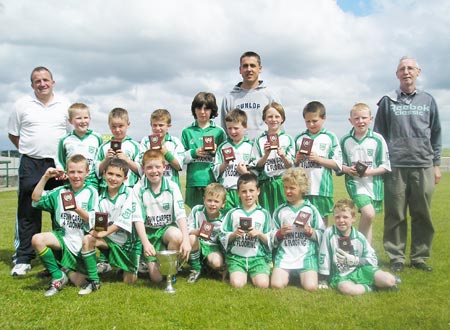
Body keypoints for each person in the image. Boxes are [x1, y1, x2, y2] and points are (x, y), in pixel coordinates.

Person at [374, 56, 441, 273]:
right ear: (397, 75)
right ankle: (396, 256)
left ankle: (420, 257)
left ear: (418, 72)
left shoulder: (428, 100)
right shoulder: (387, 101)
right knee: (396, 214)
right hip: (395, 167)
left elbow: (436, 133)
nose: (406, 72)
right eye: (402, 69)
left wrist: (436, 164)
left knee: (422, 214)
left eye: (410, 68)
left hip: (423, 165)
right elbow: (379, 136)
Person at [8, 66, 71, 276]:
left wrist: (63, 162)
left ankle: (61, 255)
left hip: (58, 165)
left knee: (61, 211)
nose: (42, 84)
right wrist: (31, 150)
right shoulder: (22, 105)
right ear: (32, 85)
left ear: (53, 82)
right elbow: (13, 135)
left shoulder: (64, 105)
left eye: (46, 80)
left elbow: (70, 136)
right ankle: (24, 258)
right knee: (28, 209)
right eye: (37, 81)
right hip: (31, 164)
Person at [30, 154, 99, 296]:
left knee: (79, 281)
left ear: (87, 172)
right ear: (66, 173)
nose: (76, 176)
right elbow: (35, 198)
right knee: (37, 239)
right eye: (72, 172)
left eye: (80, 172)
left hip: (81, 245)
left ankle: (66, 269)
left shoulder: (91, 192)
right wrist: (45, 177)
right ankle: (57, 276)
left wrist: (76, 209)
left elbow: (93, 220)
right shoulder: (60, 191)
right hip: (63, 238)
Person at [79, 158, 140, 295]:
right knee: (88, 239)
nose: (113, 178)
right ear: (104, 173)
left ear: (125, 178)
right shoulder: (100, 197)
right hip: (109, 240)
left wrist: (103, 233)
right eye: (110, 174)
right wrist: (95, 230)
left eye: (118, 175)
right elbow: (97, 220)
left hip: (129, 243)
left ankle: (124, 266)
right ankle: (94, 281)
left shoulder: (131, 193)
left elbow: (123, 221)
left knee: (129, 282)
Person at [133, 149, 191, 283]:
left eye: (158, 167)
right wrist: (146, 243)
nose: (154, 171)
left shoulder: (172, 186)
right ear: (143, 169)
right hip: (149, 233)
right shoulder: (138, 188)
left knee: (177, 235)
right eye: (149, 167)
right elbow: (138, 219)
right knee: (157, 279)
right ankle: (146, 259)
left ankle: (171, 267)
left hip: (166, 230)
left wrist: (186, 240)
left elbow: (181, 214)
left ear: (164, 167)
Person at [318, 199, 398, 296]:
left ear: (353, 218)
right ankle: (369, 287)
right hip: (340, 275)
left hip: (360, 270)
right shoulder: (329, 233)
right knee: (347, 289)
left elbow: (373, 259)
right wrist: (323, 279)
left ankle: (383, 282)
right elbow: (324, 255)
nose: (341, 220)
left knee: (389, 280)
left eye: (345, 217)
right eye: (337, 217)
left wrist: (356, 260)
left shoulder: (359, 237)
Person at [340, 103, 390, 243]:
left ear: (370, 119)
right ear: (350, 120)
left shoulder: (378, 139)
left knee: (368, 218)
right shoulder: (345, 140)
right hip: (355, 184)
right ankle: (358, 246)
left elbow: (385, 166)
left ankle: (367, 254)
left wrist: (369, 172)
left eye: (364, 118)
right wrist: (348, 169)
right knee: (369, 214)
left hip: (374, 185)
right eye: (356, 118)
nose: (360, 121)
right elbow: (339, 165)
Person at [271, 168, 325, 291]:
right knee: (276, 285)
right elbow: (271, 235)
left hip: (306, 256)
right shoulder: (280, 210)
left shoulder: (311, 209)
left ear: (302, 188)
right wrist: (280, 234)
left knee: (311, 287)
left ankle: (302, 274)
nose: (287, 191)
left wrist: (310, 231)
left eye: (292, 188)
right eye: (285, 187)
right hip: (285, 256)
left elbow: (323, 234)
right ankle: (291, 274)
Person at [219, 173, 272, 288]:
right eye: (244, 191)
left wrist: (259, 234)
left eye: (251, 191)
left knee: (263, 284)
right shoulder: (233, 213)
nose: (248, 195)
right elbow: (222, 234)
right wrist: (233, 234)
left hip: (258, 258)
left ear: (258, 191)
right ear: (238, 193)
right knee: (237, 284)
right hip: (237, 258)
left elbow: (271, 237)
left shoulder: (264, 214)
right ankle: (233, 270)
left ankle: (256, 271)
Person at [294, 101, 342, 226]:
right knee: (302, 223)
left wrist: (319, 159)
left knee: (322, 223)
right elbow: (292, 165)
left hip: (322, 190)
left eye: (314, 121)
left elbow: (338, 164)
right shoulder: (299, 138)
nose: (311, 124)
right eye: (307, 121)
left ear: (324, 118)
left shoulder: (330, 137)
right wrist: (297, 159)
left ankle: (323, 245)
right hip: (303, 190)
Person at [220, 51, 281, 139]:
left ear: (260, 69)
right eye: (245, 66)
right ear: (240, 70)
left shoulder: (270, 96)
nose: (249, 69)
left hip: (265, 149)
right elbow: (225, 129)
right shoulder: (229, 98)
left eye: (252, 65)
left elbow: (279, 127)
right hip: (238, 151)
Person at [181, 92, 226, 209]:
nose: (202, 112)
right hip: (193, 181)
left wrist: (215, 152)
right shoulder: (187, 131)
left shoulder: (219, 131)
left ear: (212, 110)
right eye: (199, 108)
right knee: (195, 216)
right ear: (194, 109)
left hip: (212, 181)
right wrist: (193, 153)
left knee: (212, 215)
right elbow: (180, 158)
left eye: (206, 108)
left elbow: (224, 157)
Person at [252, 102, 294, 215]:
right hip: (265, 184)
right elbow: (256, 166)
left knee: (284, 215)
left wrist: (283, 156)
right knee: (267, 215)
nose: (273, 119)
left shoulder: (287, 139)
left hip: (283, 183)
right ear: (265, 119)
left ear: (282, 119)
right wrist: (266, 155)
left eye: (277, 116)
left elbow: (291, 166)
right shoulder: (259, 140)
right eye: (270, 116)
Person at [213, 108, 254, 213]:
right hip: (226, 191)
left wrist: (245, 173)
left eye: (236, 128)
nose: (232, 131)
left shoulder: (251, 147)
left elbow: (256, 172)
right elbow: (215, 170)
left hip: (244, 192)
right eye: (229, 128)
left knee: (245, 218)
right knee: (227, 220)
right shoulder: (222, 147)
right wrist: (225, 164)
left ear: (245, 127)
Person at [56, 103, 103, 189]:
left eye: (85, 118)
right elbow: (59, 160)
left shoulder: (97, 138)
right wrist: (62, 172)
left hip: (92, 181)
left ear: (90, 118)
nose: (83, 121)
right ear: (70, 121)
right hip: (71, 180)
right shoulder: (65, 140)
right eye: (78, 118)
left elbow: (100, 159)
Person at [187, 183, 227, 283]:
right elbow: (187, 227)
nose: (212, 204)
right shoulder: (197, 210)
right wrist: (197, 232)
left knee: (217, 263)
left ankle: (206, 266)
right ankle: (196, 269)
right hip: (197, 243)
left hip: (212, 246)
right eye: (209, 200)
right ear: (204, 200)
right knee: (191, 237)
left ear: (223, 204)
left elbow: (224, 241)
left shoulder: (224, 220)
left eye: (216, 201)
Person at [96, 107, 141, 190]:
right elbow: (97, 172)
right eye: (113, 126)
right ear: (109, 125)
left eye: (121, 126)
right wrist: (106, 160)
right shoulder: (103, 147)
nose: (117, 130)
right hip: (106, 189)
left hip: (129, 188)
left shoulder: (135, 146)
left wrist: (127, 160)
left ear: (128, 124)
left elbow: (141, 171)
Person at [139, 109, 185, 189]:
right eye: (154, 125)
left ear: (168, 126)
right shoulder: (145, 141)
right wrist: (150, 153)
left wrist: (165, 153)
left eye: (161, 125)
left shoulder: (175, 142)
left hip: (170, 187)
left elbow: (178, 166)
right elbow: (141, 165)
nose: (157, 128)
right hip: (150, 187)